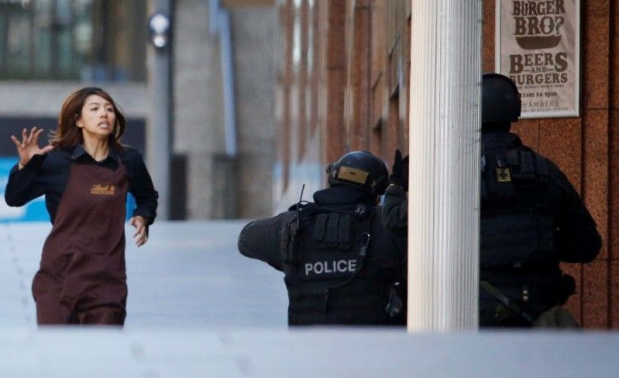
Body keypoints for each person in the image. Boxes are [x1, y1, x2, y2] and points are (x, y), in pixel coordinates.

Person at [382, 73, 602, 328]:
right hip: (541, 310)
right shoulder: (544, 171)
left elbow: (396, 221)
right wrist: (539, 242)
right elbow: (587, 245)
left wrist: (397, 185)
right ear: (513, 110)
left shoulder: (455, 174)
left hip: (478, 313)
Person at [5, 86, 158, 326]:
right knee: (58, 355)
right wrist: (27, 165)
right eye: (95, 109)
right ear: (78, 120)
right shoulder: (56, 161)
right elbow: (14, 198)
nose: (104, 114)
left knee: (102, 358)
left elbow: (147, 196)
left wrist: (143, 216)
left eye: (109, 109)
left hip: (107, 280)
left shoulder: (128, 160)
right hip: (59, 277)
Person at [238, 151, 407, 326]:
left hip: (308, 348)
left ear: (333, 179)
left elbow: (245, 240)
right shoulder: (385, 226)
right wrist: (396, 191)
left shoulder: (294, 226)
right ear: (376, 189)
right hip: (379, 348)